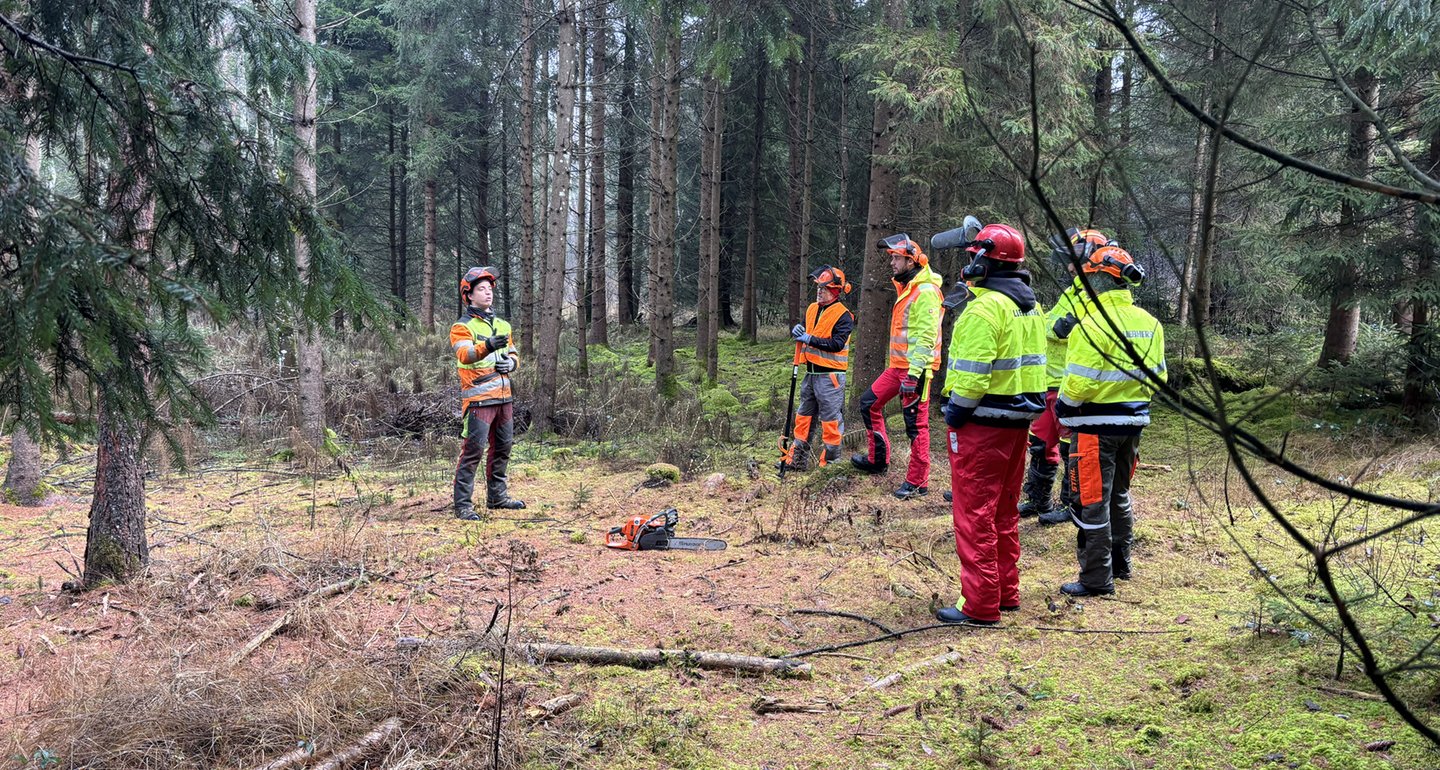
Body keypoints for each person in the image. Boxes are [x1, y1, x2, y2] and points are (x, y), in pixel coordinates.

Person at [935, 223, 1048, 626]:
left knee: (974, 513)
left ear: (984, 261)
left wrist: (956, 412)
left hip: (981, 424)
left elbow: (972, 374)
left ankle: (981, 604)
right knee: (1003, 510)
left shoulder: (984, 309)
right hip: (1018, 423)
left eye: (972, 257)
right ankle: (1005, 591)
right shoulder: (1031, 307)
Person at [1055, 245, 1166, 597]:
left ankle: (1096, 579)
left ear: (1099, 280)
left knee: (1091, 500)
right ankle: (1121, 564)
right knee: (1119, 493)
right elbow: (1159, 377)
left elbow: (1079, 382)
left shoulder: (1092, 324)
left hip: (1094, 427)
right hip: (1133, 425)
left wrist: (1063, 406)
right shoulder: (1150, 323)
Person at [851, 234, 944, 500]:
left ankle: (918, 482)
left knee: (916, 425)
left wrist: (914, 374)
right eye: (891, 257)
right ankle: (878, 460)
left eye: (896, 258)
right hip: (898, 367)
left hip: (917, 370)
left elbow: (926, 337)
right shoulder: (908, 288)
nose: (891, 262)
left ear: (911, 260)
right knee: (869, 403)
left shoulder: (925, 291)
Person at [1032, 229, 1114, 526]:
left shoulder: (1098, 293)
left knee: (1072, 448)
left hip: (1073, 381)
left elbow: (1065, 331)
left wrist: (1059, 328)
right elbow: (1051, 325)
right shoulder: (1074, 290)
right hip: (1049, 380)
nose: (1066, 265)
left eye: (1071, 259)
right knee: (1041, 441)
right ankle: (1037, 498)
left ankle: (1071, 503)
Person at [451, 266, 525, 520]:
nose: (488, 293)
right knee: (473, 451)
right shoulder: (461, 326)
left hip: (504, 398)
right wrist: (487, 345)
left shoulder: (503, 324)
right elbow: (465, 354)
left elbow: (514, 353)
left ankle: (497, 497)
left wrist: (512, 364)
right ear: (468, 295)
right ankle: (462, 505)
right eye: (481, 289)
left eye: (489, 289)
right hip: (478, 400)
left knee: (503, 447)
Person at [781, 266, 855, 471]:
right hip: (811, 374)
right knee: (803, 417)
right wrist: (799, 330)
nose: (819, 291)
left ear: (836, 291)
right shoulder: (813, 308)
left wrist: (810, 339)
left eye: (824, 288)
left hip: (830, 377)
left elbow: (837, 344)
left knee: (831, 422)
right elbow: (807, 329)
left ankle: (829, 466)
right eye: (819, 288)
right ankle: (796, 461)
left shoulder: (844, 315)